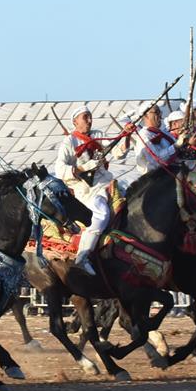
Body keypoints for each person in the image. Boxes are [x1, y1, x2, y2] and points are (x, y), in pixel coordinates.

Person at [53, 105, 117, 276]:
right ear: (75, 122)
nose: (89, 120)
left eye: (90, 116)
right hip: (86, 189)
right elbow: (59, 169)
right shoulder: (69, 142)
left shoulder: (97, 134)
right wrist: (83, 168)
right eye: (85, 117)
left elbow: (118, 152)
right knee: (101, 213)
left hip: (106, 182)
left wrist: (125, 134)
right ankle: (83, 255)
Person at [132, 102, 186, 176]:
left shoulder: (165, 133)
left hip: (173, 174)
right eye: (156, 112)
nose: (160, 115)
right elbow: (155, 160)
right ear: (146, 116)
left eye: (160, 112)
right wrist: (176, 146)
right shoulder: (144, 135)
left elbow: (180, 153)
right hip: (156, 180)